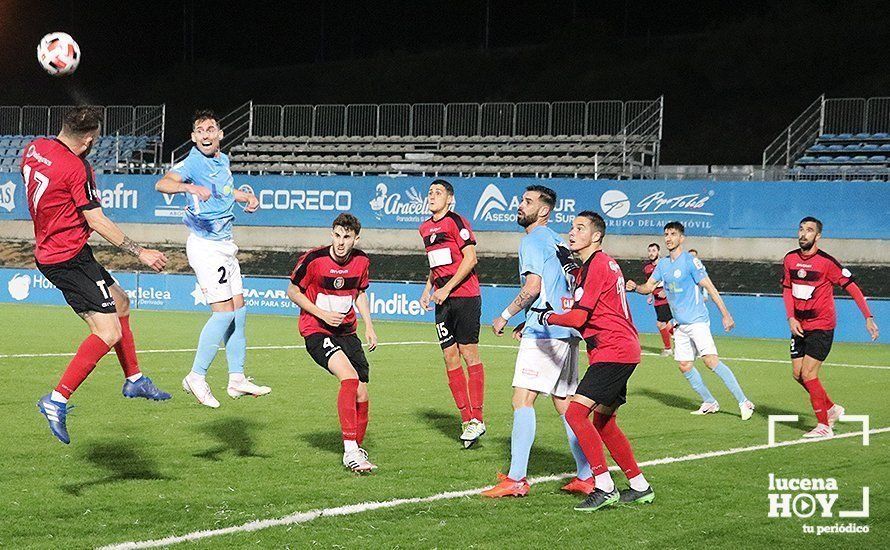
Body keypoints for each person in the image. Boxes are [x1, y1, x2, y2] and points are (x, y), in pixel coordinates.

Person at [28, 106, 171, 445]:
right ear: (90, 138)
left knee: (121, 301)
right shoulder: (77, 168)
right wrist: (142, 252)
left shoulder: (36, 147)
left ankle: (134, 378)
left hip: (59, 250)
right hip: (67, 258)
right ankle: (56, 399)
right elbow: (97, 221)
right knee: (106, 332)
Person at [482, 185, 592, 498]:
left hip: (545, 333)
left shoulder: (533, 239)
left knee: (522, 400)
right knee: (565, 405)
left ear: (544, 210)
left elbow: (533, 287)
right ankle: (587, 474)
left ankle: (517, 478)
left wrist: (504, 315)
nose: (520, 205)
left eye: (528, 202)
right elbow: (556, 288)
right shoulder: (560, 242)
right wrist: (525, 319)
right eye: (521, 200)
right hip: (566, 331)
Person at [155, 109, 270, 408]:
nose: (206, 134)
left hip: (226, 245)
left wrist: (246, 198)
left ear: (220, 134)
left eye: (210, 129)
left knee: (240, 313)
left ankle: (236, 378)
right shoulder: (194, 161)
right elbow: (163, 183)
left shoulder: (223, 160)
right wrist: (188, 186)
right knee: (224, 315)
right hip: (206, 247)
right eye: (200, 130)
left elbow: (224, 193)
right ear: (194, 138)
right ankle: (196, 376)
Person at [539, 211, 653, 511]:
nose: (572, 232)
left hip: (613, 351)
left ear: (596, 236)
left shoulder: (598, 264)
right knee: (603, 422)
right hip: (620, 349)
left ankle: (603, 485)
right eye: (572, 227)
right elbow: (584, 284)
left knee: (576, 414)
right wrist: (569, 264)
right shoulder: (599, 264)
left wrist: (546, 316)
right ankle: (640, 486)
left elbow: (578, 317)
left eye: (580, 228)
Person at [626, 222, 755, 420]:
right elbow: (649, 287)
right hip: (680, 324)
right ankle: (710, 402)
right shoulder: (663, 265)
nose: (668, 238)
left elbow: (709, 287)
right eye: (666, 234)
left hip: (697, 321)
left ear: (681, 238)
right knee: (684, 365)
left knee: (711, 362)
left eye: (673, 234)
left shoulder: (690, 262)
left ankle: (744, 401)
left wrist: (725, 314)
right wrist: (635, 287)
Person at [287, 214, 378, 472]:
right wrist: (321, 314)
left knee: (361, 392)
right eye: (337, 235)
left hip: (347, 333)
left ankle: (356, 449)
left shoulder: (361, 261)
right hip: (316, 330)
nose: (340, 242)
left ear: (356, 239)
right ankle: (350, 452)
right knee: (348, 379)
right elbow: (292, 291)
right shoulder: (313, 260)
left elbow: (359, 293)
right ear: (331, 234)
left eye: (347, 237)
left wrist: (369, 325)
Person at [782, 217, 879, 438]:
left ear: (818, 236)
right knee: (797, 374)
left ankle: (824, 425)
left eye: (809, 230)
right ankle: (832, 408)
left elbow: (853, 287)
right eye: (801, 229)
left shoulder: (827, 263)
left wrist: (868, 317)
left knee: (808, 373)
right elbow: (787, 289)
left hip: (821, 326)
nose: (803, 234)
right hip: (799, 325)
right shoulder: (789, 259)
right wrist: (790, 317)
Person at [419, 179, 486, 448]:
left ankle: (478, 418)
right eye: (430, 193)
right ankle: (466, 419)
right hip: (441, 298)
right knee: (449, 357)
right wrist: (428, 288)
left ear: (449, 199)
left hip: (465, 297)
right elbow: (435, 264)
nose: (433, 196)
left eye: (438, 193)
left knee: (469, 354)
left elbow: (470, 259)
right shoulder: (424, 228)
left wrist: (445, 288)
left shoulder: (456, 222)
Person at [643, 242, 674, 355]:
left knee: (660, 324)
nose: (651, 253)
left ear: (659, 252)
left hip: (667, 298)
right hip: (657, 299)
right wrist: (650, 295)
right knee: (667, 324)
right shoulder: (647, 268)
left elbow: (672, 279)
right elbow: (650, 283)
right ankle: (682, 339)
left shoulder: (665, 264)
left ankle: (668, 349)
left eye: (654, 251)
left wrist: (666, 290)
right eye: (649, 251)